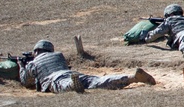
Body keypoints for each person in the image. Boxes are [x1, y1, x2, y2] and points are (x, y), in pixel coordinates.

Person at [19, 39, 155, 93]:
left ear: (36, 51)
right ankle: (132, 77)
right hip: (73, 74)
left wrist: (21, 66)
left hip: (56, 78)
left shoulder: (33, 63)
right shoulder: (58, 55)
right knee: (99, 81)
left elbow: (26, 81)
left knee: (64, 85)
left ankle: (73, 85)